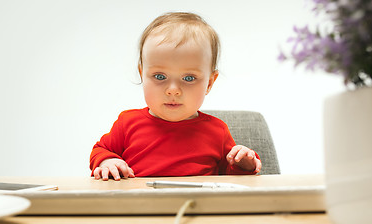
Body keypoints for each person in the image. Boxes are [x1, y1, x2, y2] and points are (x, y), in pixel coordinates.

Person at [90, 12, 262, 181]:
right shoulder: (127, 124)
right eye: (160, 76)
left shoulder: (218, 132)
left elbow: (232, 182)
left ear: (209, 83)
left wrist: (243, 163)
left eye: (189, 78)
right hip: (140, 206)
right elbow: (101, 150)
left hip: (196, 207)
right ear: (142, 74)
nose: (173, 90)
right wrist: (108, 161)